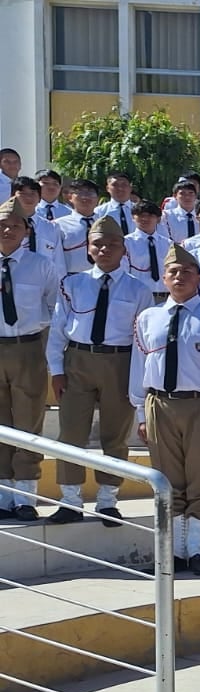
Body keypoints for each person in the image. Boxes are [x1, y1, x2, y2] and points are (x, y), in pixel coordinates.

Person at [130, 244, 200, 574]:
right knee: (167, 481)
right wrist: (140, 412)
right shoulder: (148, 318)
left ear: (199, 278)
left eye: (187, 272)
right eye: (173, 272)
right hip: (159, 403)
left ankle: (196, 550)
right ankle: (173, 552)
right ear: (164, 278)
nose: (179, 277)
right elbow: (139, 366)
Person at [46, 216, 153, 524]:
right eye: (98, 244)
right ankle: (70, 500)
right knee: (71, 433)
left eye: (112, 244)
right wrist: (56, 369)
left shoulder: (139, 289)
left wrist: (138, 380)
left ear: (124, 250)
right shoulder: (72, 284)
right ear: (88, 249)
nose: (104, 249)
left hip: (119, 363)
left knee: (115, 436)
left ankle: (108, 500)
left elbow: (141, 340)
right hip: (78, 360)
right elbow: (58, 330)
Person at [0, 197, 60, 520]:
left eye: (15, 226)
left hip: (28, 347)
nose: (8, 230)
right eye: (2, 225)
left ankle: (25, 497)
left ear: (26, 231)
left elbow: (54, 307)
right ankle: (2, 495)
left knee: (28, 421)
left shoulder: (41, 265)